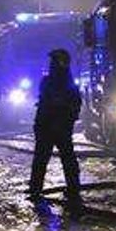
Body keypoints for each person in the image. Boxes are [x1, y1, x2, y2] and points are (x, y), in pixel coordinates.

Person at [27, 48, 83, 210]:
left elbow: (71, 105)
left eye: (53, 62)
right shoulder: (57, 82)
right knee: (59, 158)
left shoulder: (60, 83)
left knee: (47, 158)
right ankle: (71, 189)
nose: (51, 65)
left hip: (54, 126)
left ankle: (38, 189)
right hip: (52, 126)